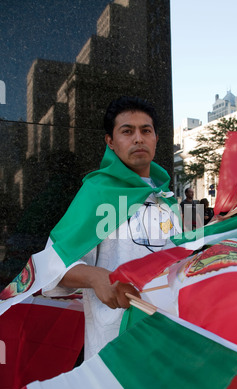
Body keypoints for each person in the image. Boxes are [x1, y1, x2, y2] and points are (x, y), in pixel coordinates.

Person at [42, 96, 181, 359]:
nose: (138, 138)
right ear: (111, 142)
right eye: (127, 131)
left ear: (156, 139)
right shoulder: (97, 194)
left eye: (146, 130)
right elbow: (52, 266)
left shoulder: (166, 196)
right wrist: (96, 277)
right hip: (116, 343)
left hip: (166, 335)